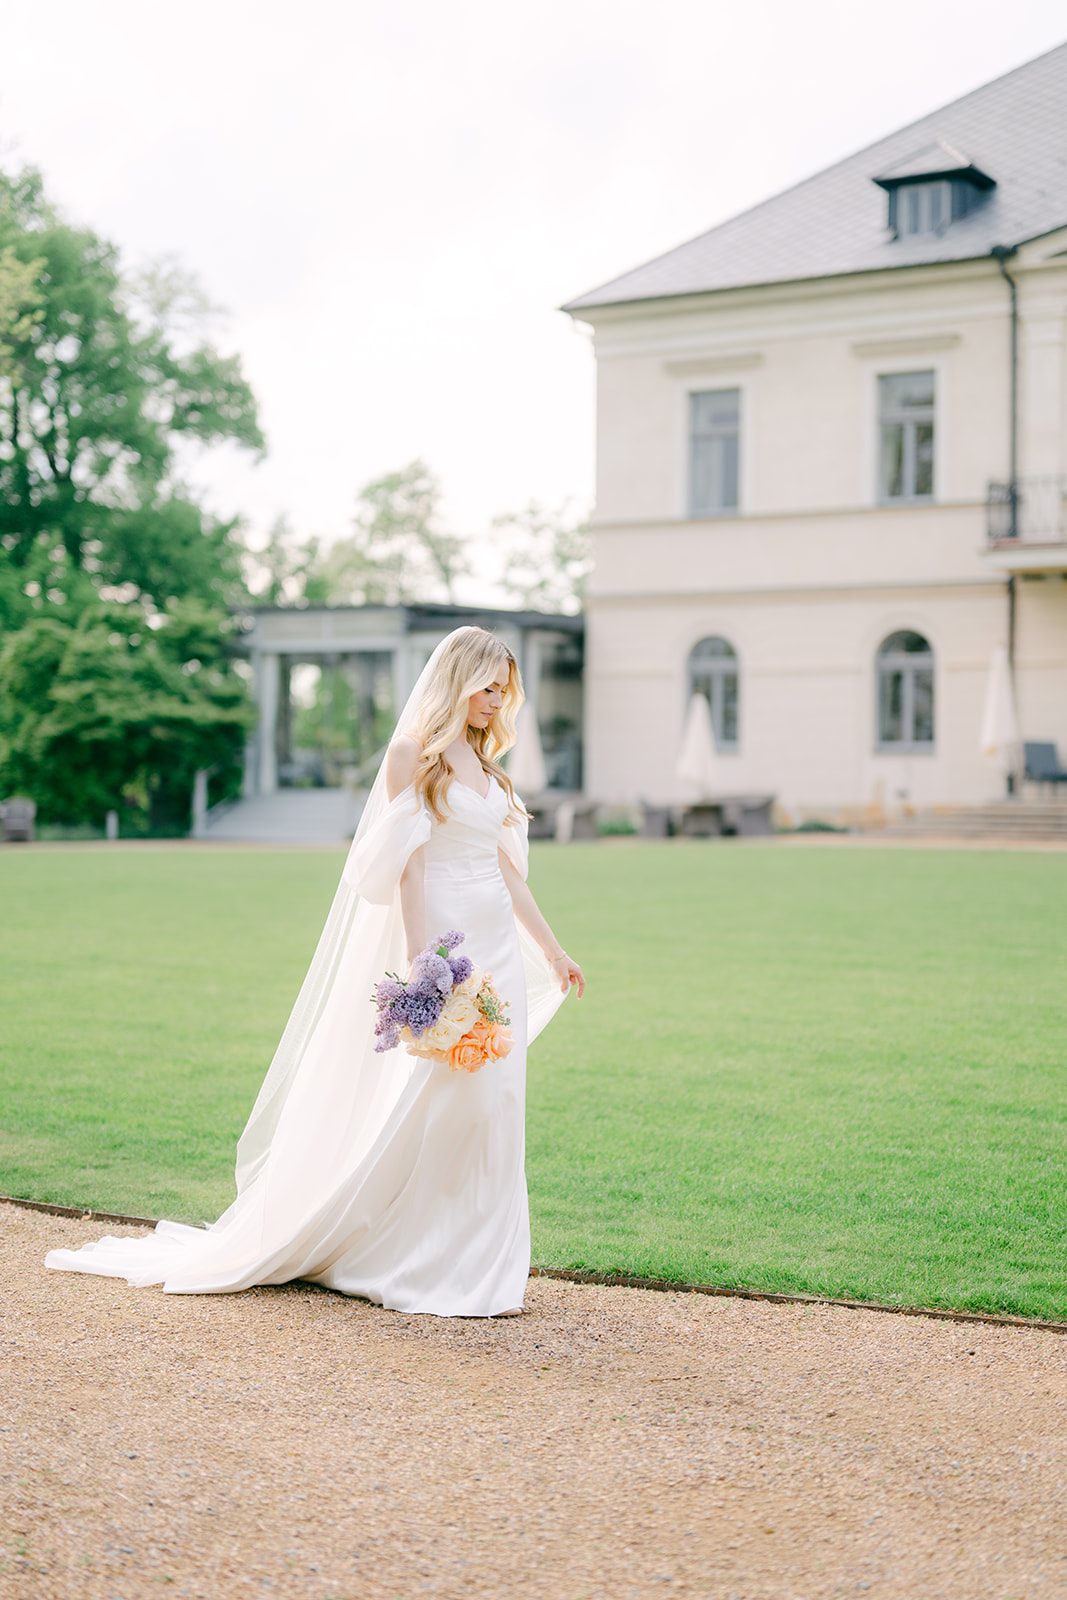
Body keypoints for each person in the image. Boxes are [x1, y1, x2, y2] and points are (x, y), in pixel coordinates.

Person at [46, 626, 584, 1318]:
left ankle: (482, 1263)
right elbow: (408, 869)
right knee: (444, 1099)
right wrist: (427, 966)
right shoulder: (410, 755)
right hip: (450, 944)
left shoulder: (489, 765)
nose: (496, 698)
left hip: (498, 948)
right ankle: (417, 1255)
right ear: (457, 680)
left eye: (503, 688)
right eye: (486, 685)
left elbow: (510, 875)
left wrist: (553, 950)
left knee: (498, 1101)